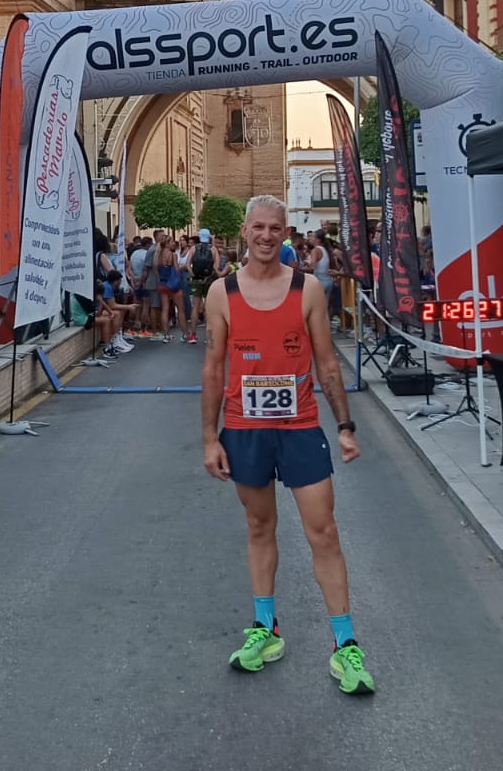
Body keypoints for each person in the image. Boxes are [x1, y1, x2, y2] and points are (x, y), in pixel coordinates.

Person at [200, 194, 374, 695]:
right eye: (258, 227)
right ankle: (266, 629)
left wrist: (345, 426)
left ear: (285, 232)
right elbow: (213, 368)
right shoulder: (221, 292)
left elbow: (327, 363)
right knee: (259, 527)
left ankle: (345, 645)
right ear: (244, 230)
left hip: (299, 428)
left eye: (275, 227)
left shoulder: (308, 289)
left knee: (324, 531)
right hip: (245, 429)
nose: (266, 235)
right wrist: (210, 438)